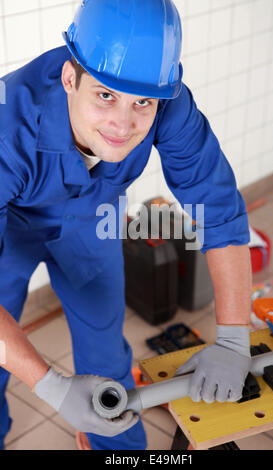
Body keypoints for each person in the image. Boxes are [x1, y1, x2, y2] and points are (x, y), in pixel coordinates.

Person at [0, 0, 252, 451]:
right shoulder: (7, 125)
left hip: (92, 222)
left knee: (105, 356)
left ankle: (118, 452)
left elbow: (219, 210)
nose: (123, 124)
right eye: (105, 96)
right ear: (69, 78)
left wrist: (234, 339)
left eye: (142, 103)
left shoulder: (168, 103)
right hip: (9, 229)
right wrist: (51, 385)